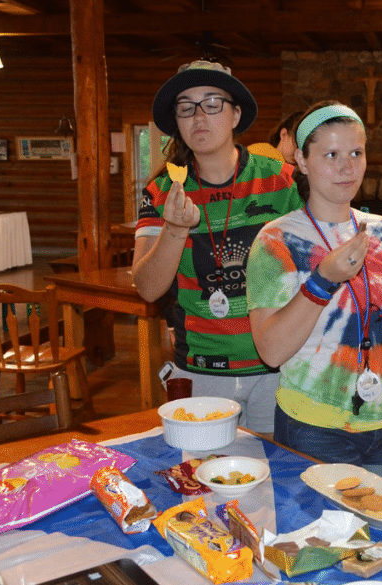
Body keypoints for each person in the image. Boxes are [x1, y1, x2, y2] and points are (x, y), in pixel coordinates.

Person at [246, 101, 382, 497]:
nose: (347, 167)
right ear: (301, 160)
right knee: (331, 547)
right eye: (331, 154)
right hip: (313, 428)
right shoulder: (273, 241)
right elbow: (270, 350)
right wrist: (323, 281)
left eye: (356, 153)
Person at [132, 60, 303, 436]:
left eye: (212, 103)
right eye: (186, 106)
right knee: (199, 480)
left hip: (277, 371)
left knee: (272, 482)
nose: (199, 116)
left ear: (236, 113)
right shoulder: (160, 192)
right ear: (176, 120)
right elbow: (146, 287)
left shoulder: (284, 181)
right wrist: (175, 230)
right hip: (199, 373)